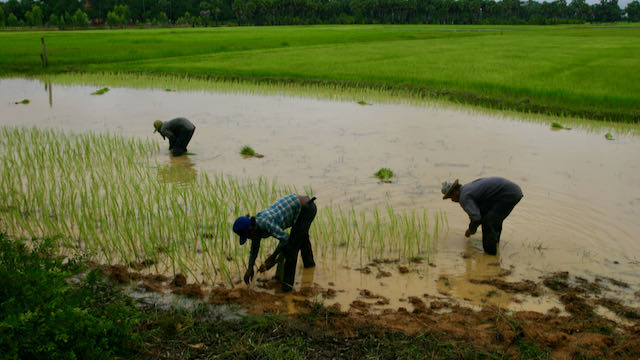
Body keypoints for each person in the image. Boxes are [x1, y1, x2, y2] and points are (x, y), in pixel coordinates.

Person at [233, 194, 316, 292]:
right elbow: (254, 248)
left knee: (290, 249)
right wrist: (250, 267)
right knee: (301, 237)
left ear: (251, 230)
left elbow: (285, 239)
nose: (250, 239)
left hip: (306, 208)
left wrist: (273, 257)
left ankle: (287, 287)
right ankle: (310, 268)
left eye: (248, 236)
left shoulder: (265, 223)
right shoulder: (255, 227)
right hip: (300, 207)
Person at [441, 177, 523, 255]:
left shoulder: (464, 196)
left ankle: (489, 256)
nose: (452, 200)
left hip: (508, 194)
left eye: (451, 196)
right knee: (493, 219)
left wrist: (470, 230)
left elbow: (476, 218)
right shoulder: (467, 189)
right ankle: (495, 244)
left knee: (488, 222)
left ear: (455, 191)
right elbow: (479, 212)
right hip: (511, 192)